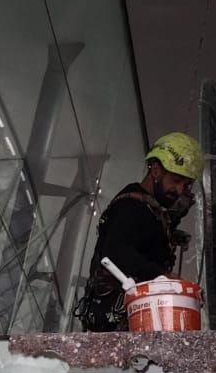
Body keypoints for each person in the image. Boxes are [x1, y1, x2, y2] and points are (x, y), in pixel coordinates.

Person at [75, 132, 205, 330]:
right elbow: (116, 252)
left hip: (132, 316)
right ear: (155, 170)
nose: (179, 190)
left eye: (186, 185)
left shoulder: (150, 210)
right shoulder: (131, 207)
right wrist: (163, 277)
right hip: (120, 320)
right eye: (176, 180)